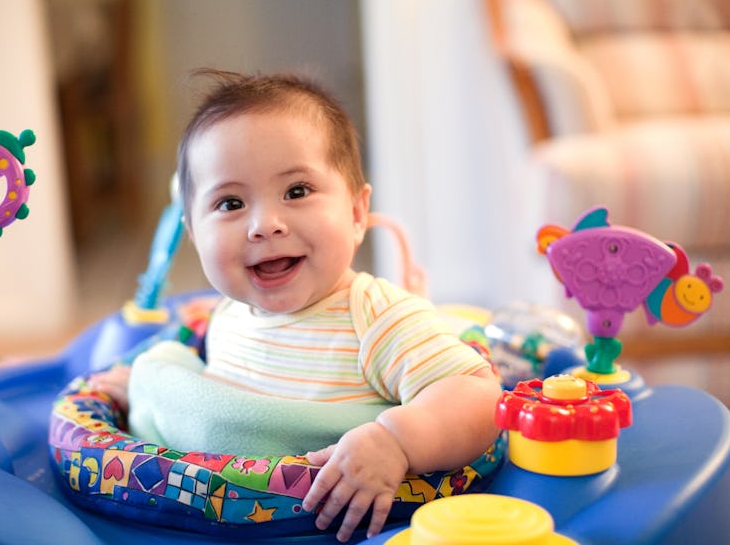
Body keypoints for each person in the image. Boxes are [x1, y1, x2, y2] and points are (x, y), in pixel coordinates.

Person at [90, 69, 501, 542]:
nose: (265, 224)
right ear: (192, 232)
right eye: (229, 204)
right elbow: (214, 406)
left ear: (355, 212)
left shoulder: (376, 315)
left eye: (296, 191)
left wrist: (395, 440)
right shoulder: (224, 319)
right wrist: (146, 390)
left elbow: (478, 397)